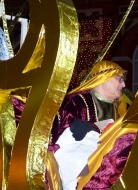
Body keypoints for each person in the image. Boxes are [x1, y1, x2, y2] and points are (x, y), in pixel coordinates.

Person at [49, 60, 131, 190]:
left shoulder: (121, 108)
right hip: (82, 176)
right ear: (104, 78)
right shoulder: (76, 102)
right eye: (119, 78)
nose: (124, 84)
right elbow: (58, 141)